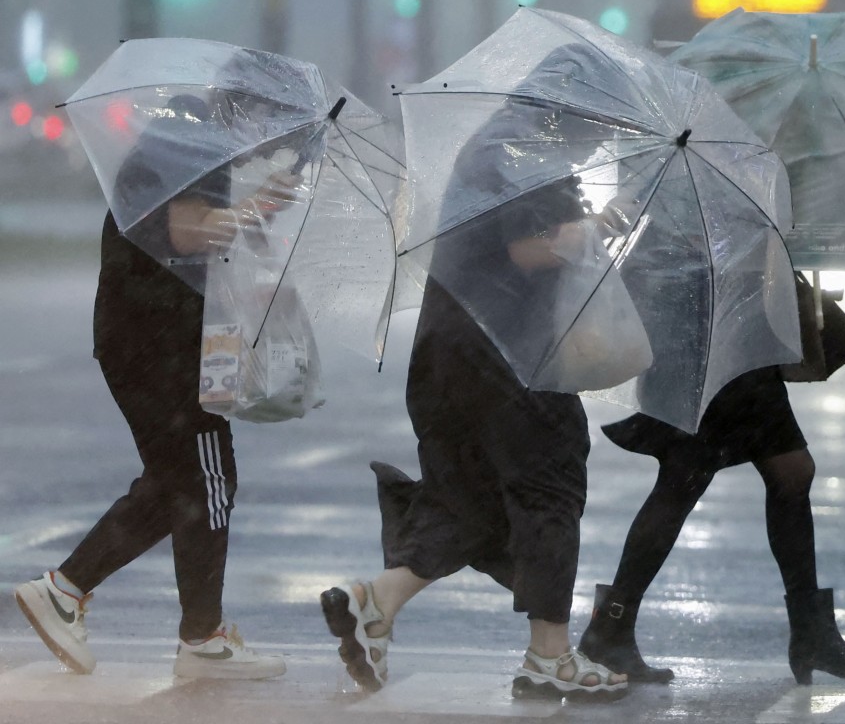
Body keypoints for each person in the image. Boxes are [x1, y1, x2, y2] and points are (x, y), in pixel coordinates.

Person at [319, 48, 629, 701]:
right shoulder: (528, 158)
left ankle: (374, 601)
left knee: (472, 494)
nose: (601, 136)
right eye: (598, 121)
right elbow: (525, 250)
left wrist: (590, 226)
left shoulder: (498, 145)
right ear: (569, 109)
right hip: (507, 352)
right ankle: (550, 654)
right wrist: (587, 233)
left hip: (447, 351)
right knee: (550, 485)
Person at [14, 94, 298, 679]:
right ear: (248, 112)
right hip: (159, 343)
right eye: (271, 130)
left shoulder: (187, 137)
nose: (269, 145)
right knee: (206, 478)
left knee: (178, 483)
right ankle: (201, 639)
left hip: (147, 337)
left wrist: (253, 213)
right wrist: (260, 203)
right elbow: (188, 233)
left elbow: (184, 237)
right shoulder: (191, 143)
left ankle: (66, 591)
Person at [577, 278, 845, 686]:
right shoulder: (687, 217)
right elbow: (664, 265)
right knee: (694, 479)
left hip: (738, 339)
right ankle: (610, 630)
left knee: (776, 472)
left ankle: (811, 633)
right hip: (703, 342)